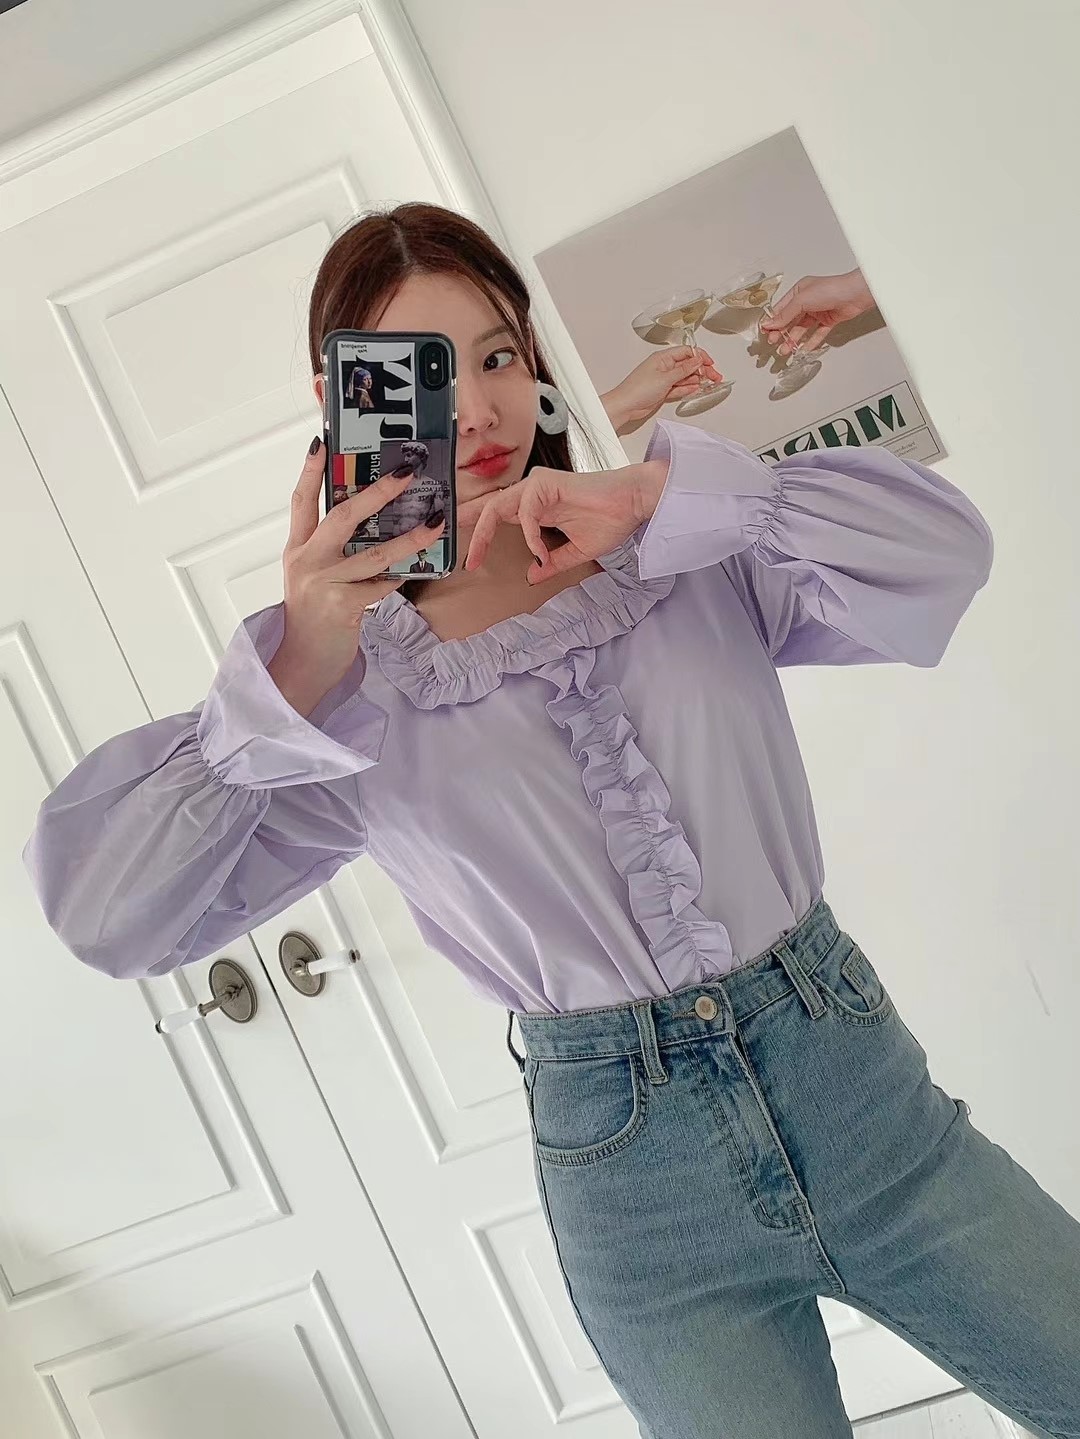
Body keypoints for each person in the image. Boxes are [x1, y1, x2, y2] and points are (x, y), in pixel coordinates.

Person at [21, 203, 1078, 1439]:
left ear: (535, 361)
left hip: (861, 1098)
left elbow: (945, 554)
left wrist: (669, 494)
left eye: (497, 356)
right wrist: (300, 660)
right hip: (639, 1187)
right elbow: (106, 916)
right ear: (338, 401)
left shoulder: (681, 548)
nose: (475, 409)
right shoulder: (345, 689)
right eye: (421, 373)